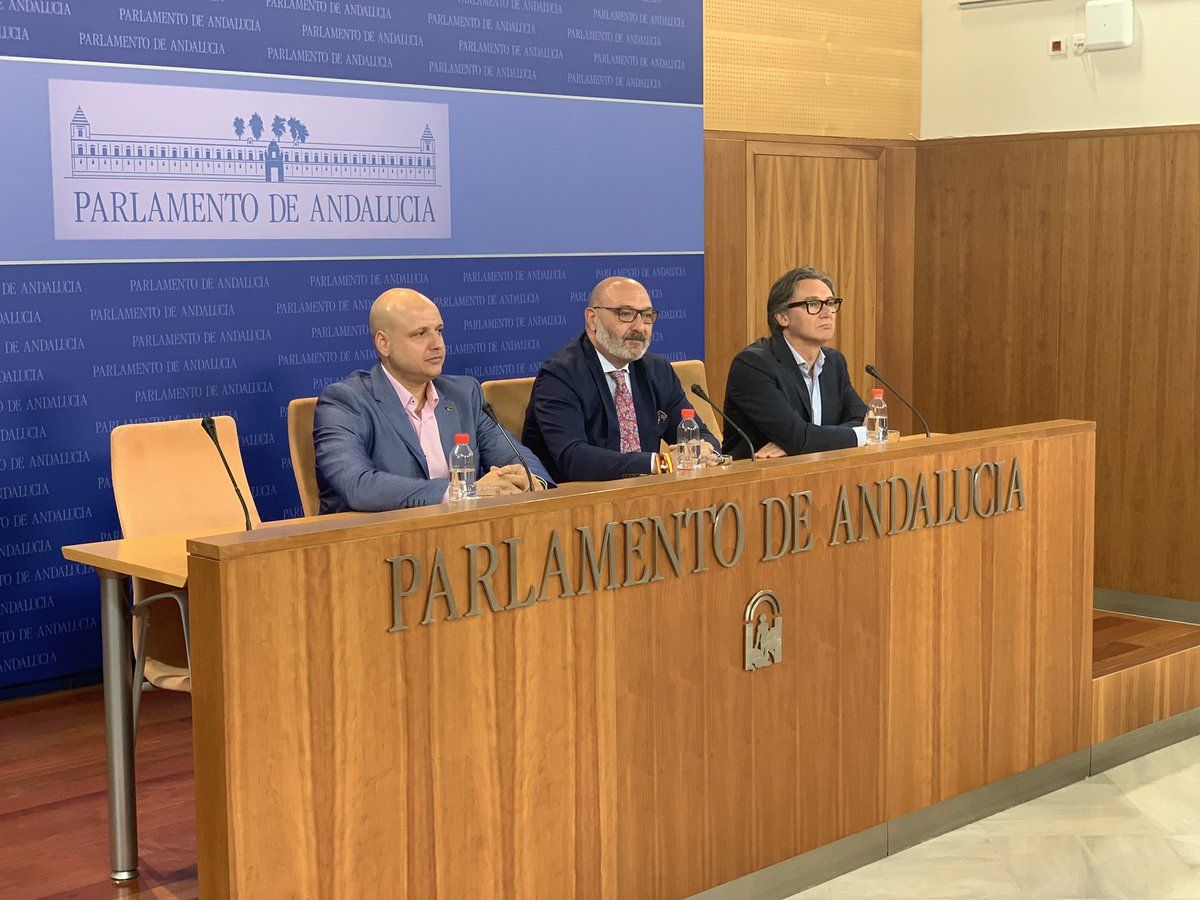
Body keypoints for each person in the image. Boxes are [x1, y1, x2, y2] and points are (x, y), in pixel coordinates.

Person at [314, 288, 552, 513]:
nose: (437, 344)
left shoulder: (464, 394)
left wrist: (531, 481)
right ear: (384, 343)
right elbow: (359, 486)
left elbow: (515, 457)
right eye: (420, 333)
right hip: (371, 546)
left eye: (438, 330)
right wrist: (465, 491)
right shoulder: (345, 401)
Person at [522, 276, 721, 482]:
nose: (640, 327)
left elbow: (700, 435)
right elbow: (573, 458)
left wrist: (707, 452)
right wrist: (660, 463)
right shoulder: (560, 375)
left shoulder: (657, 370)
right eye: (625, 314)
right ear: (592, 320)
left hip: (650, 499)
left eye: (646, 315)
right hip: (579, 502)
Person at [722, 266, 868, 458]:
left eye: (831, 303)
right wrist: (803, 441)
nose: (827, 313)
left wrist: (808, 442)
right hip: (758, 481)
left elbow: (863, 420)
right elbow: (799, 439)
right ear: (782, 317)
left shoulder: (834, 363)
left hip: (819, 476)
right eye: (813, 304)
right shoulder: (752, 365)